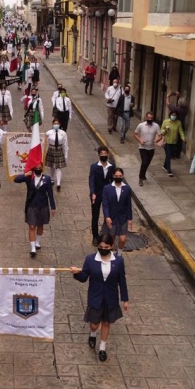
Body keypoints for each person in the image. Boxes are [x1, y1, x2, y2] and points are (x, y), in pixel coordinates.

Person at [69, 233, 129, 362]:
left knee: (106, 323)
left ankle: (102, 347)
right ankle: (92, 334)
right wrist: (77, 273)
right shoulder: (90, 259)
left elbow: (122, 280)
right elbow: (84, 277)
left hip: (111, 297)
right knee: (94, 324)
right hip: (95, 297)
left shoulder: (118, 261)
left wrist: (125, 299)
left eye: (106, 246)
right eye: (101, 246)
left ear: (112, 246)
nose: (103, 249)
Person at [14, 163, 56, 258]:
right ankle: (32, 248)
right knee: (32, 226)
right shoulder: (29, 178)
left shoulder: (47, 179)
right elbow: (16, 180)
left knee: (40, 224)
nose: (38, 169)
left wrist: (53, 207)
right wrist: (25, 174)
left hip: (43, 205)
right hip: (31, 205)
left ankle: (37, 242)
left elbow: (50, 193)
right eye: (36, 168)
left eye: (39, 168)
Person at [102, 168, 133, 255]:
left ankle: (119, 254)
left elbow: (128, 204)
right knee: (111, 238)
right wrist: (107, 216)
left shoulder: (127, 189)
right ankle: (112, 254)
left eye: (120, 176)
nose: (118, 177)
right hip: (112, 217)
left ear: (122, 176)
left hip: (123, 217)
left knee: (123, 239)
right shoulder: (107, 188)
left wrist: (130, 218)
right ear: (113, 176)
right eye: (116, 176)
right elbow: (105, 204)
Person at [89, 146, 114, 247]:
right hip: (97, 193)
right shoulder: (94, 166)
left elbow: (112, 181)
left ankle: (105, 234)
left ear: (108, 154)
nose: (103, 155)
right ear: (99, 155)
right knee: (95, 215)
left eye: (105, 153)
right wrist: (92, 193)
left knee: (107, 215)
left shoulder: (112, 166)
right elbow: (91, 180)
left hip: (107, 193)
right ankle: (95, 236)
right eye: (102, 153)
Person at [134, 112, 163, 186]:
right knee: (144, 162)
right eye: (148, 118)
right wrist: (140, 140)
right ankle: (140, 178)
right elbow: (135, 134)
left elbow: (160, 136)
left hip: (151, 148)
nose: (150, 119)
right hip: (142, 147)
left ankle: (143, 175)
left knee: (147, 163)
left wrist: (157, 140)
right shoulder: (141, 125)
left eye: (151, 118)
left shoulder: (156, 126)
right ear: (146, 117)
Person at [44, 118, 68, 192]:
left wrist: (66, 154)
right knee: (51, 166)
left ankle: (58, 183)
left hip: (59, 150)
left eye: (57, 124)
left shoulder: (63, 133)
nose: (56, 125)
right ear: (52, 124)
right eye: (55, 123)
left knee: (58, 167)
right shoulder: (48, 133)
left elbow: (65, 144)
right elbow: (44, 141)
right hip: (51, 149)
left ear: (59, 124)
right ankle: (52, 178)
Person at [161, 110, 185, 177]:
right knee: (168, 155)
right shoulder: (165, 122)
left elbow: (181, 131)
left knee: (169, 154)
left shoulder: (178, 123)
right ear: (170, 115)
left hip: (174, 142)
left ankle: (165, 166)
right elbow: (161, 131)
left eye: (175, 115)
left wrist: (183, 137)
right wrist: (165, 130)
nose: (173, 116)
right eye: (172, 115)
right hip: (166, 141)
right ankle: (169, 170)